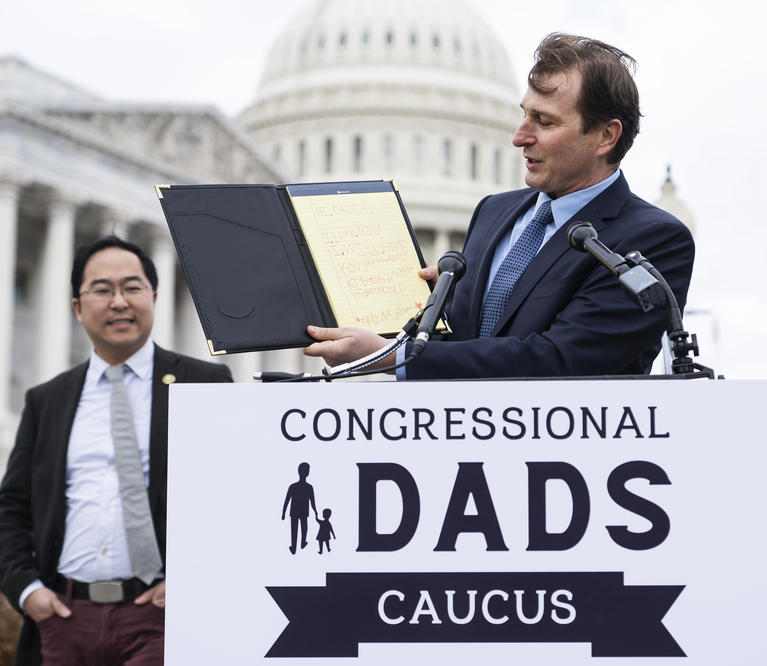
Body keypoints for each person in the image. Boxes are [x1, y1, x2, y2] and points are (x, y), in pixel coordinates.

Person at [303, 33, 695, 379]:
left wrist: (392, 357)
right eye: (524, 114)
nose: (519, 137)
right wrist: (439, 307)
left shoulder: (653, 239)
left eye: (544, 121)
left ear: (606, 136)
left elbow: (561, 360)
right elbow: (475, 339)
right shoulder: (493, 212)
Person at [0, 236, 233, 666]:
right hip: (64, 619)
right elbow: (11, 508)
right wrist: (27, 591)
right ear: (76, 307)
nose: (119, 302)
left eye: (132, 287)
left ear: (154, 297)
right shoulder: (46, 400)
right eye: (102, 290)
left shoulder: (205, 384)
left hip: (161, 619)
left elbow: (232, 495)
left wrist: (194, 579)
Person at [281, 462, 317, 554]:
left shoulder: (296, 487)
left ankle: (297, 545)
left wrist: (284, 513)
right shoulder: (307, 487)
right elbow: (287, 500)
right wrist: (283, 512)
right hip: (299, 512)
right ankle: (299, 544)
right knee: (300, 528)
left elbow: (312, 502)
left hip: (298, 512)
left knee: (299, 529)